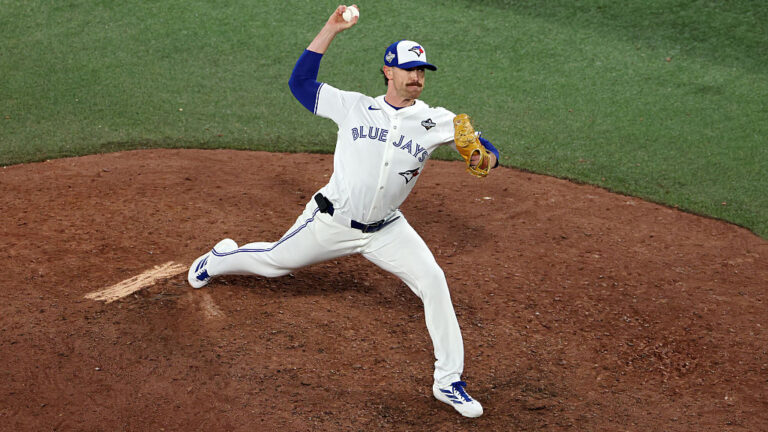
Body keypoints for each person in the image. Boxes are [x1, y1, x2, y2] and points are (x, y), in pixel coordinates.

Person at [187, 5, 499, 418]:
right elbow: (299, 84)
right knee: (275, 263)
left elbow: (487, 155)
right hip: (332, 221)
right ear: (388, 71)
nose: (418, 78)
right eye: (410, 69)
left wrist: (481, 158)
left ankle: (449, 382)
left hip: (387, 230)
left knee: (433, 280)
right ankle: (219, 258)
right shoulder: (352, 106)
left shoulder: (437, 121)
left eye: (423, 71)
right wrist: (331, 29)